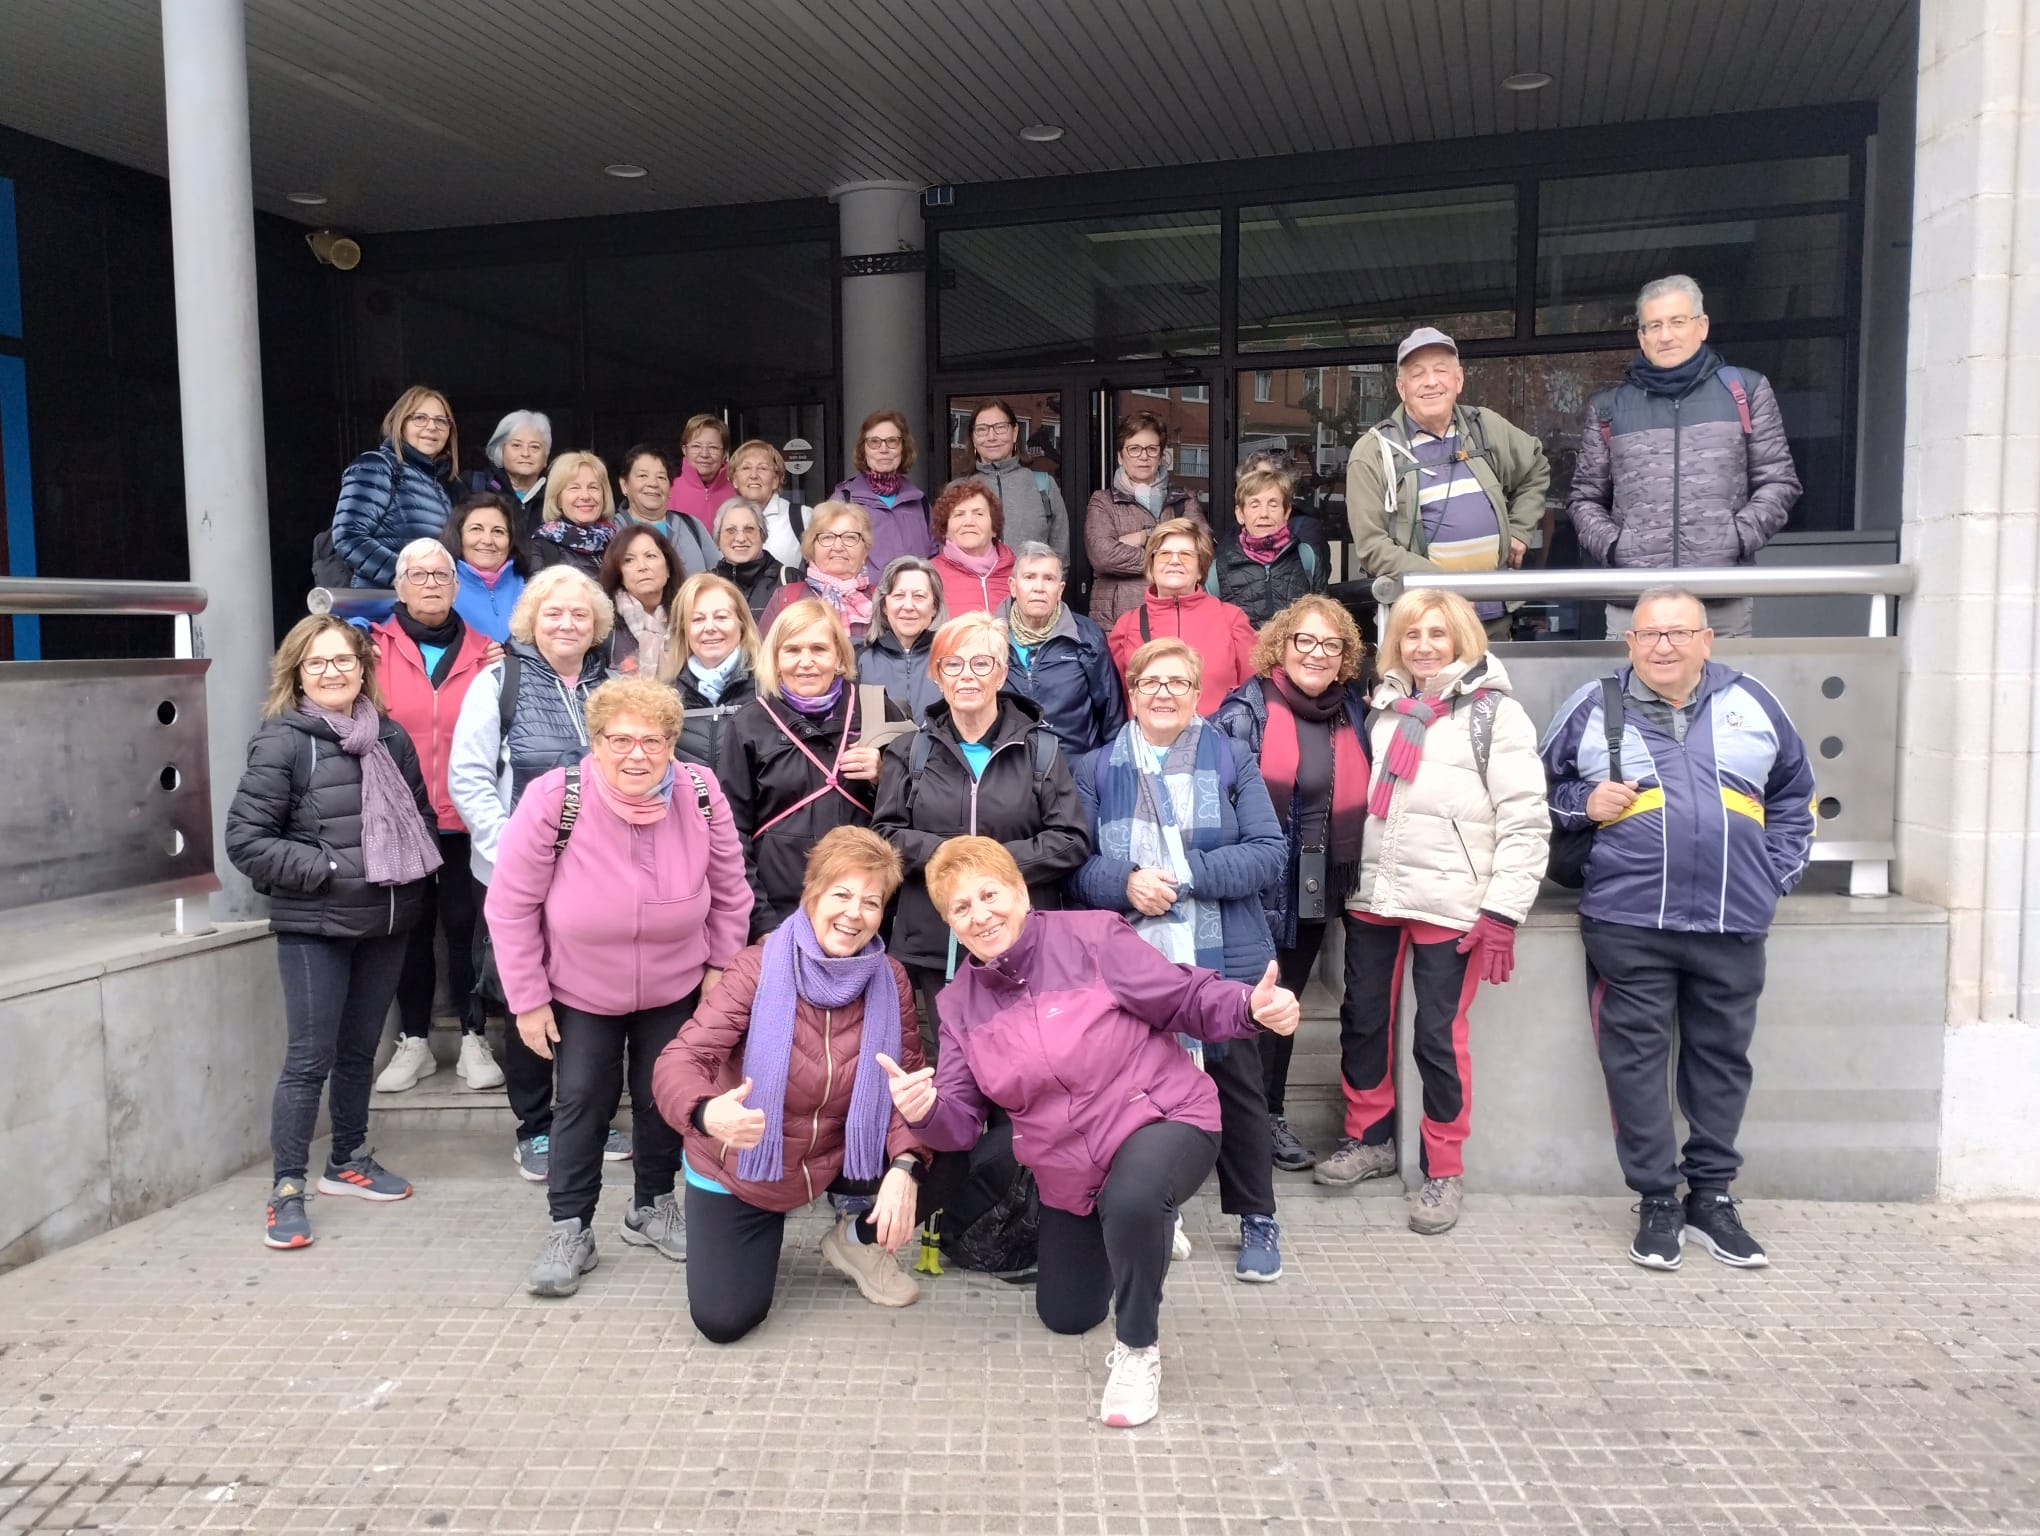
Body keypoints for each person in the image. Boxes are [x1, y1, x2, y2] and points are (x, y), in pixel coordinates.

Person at [883, 837, 1302, 1428]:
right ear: (950, 923)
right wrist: (923, 1110)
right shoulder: (960, 1006)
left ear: (1020, 892)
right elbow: (960, 1122)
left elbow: (1181, 996)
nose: (980, 915)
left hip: (1161, 1115)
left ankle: (1137, 1352)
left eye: (989, 895)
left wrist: (1246, 1006)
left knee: (1133, 1197)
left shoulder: (1093, 937)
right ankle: (1142, 1230)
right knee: (1067, 1312)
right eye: (960, 908)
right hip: (1071, 1170)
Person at [1540, 586, 1813, 1269]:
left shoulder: (1755, 703)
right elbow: (1534, 794)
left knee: (1722, 1062)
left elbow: (1793, 797)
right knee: (1633, 1065)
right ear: (1629, 644)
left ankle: (1712, 1198)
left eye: (1679, 633)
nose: (1664, 645)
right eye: (1650, 634)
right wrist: (1584, 801)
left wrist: (1772, 877)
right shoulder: (1592, 705)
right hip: (1628, 920)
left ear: (1706, 640)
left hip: (1732, 919)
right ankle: (1658, 1198)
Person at [486, 678, 752, 1296]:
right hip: (579, 988)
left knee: (666, 1098)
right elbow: (510, 905)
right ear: (597, 741)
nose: (637, 754)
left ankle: (652, 1207)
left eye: (653, 741)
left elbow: (732, 889)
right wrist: (526, 998)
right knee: (580, 1099)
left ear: (671, 744)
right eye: (621, 739)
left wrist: (719, 966)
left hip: (677, 980)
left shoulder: (701, 792)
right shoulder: (558, 796)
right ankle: (571, 1227)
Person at [1321, 590, 1549, 1235]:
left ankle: (1443, 1170)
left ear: (1462, 640)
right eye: (1412, 634)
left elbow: (1525, 818)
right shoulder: (1383, 708)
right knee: (1363, 1021)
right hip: (1376, 895)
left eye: (1437, 635)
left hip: (1451, 904)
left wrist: (1503, 910)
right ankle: (1368, 1139)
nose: (1423, 645)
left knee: (1438, 1038)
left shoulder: (1494, 715)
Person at [652, 829, 939, 1339]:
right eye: (842, 895)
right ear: (812, 894)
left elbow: (904, 1084)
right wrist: (705, 1113)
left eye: (871, 902)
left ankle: (856, 1239)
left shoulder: (889, 977)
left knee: (947, 1134)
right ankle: (752, 1230)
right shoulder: (757, 967)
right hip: (742, 1165)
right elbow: (681, 1060)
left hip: (833, 1158)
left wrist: (905, 1164)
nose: (854, 914)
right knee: (724, 1320)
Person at [1072, 637, 1289, 1283]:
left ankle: (1257, 1216)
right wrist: (1126, 882)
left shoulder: (1233, 759)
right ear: (1132, 692)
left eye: (1178, 682)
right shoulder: (1094, 767)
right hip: (1134, 962)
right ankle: (1155, 1209)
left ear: (1199, 693)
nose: (1163, 693)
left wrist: (1185, 875)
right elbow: (1076, 864)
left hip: (1224, 954)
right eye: (1150, 682)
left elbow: (1268, 852)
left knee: (1239, 1089)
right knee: (1136, 1089)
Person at [225, 616, 438, 1250]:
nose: (333, 672)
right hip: (316, 924)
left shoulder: (389, 736)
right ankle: (286, 1189)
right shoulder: (284, 742)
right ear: (297, 673)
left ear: (362, 668)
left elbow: (419, 820)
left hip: (387, 919)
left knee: (358, 1052)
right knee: (308, 1061)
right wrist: (329, 868)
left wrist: (408, 883)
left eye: (343, 660)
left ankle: (347, 1159)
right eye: (317, 663)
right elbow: (246, 840)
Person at [448, 565, 622, 1181]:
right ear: (530, 619)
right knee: (524, 996)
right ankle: (537, 1127)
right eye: (553, 612)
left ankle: (587, 1120)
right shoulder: (499, 682)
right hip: (513, 875)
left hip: (597, 877)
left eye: (579, 614)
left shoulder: (615, 686)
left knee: (590, 1000)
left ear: (597, 623)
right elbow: (468, 780)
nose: (567, 623)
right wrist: (516, 853)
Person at [872, 613, 1089, 1057]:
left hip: (1018, 939)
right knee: (953, 1069)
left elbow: (1071, 838)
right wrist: (951, 856)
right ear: (936, 675)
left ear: (1002, 673)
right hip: (934, 942)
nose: (966, 676)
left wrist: (990, 869)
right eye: (952, 664)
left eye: (981, 663)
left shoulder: (1040, 749)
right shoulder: (909, 751)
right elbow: (885, 835)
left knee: (1024, 1067)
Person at [1212, 595, 1373, 1172]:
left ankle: (1270, 1117)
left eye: (1331, 645)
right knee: (1243, 1011)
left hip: (1314, 886)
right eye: (1304, 640)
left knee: (1285, 1009)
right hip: (1254, 890)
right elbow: (1218, 801)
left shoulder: (1350, 709)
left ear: (1345, 656)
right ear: (1280, 644)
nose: (1316, 653)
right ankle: (1232, 1126)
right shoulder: (1244, 710)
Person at [1571, 277, 1802, 639]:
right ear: (1641, 336)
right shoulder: (1608, 408)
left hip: (1719, 599)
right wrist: (1616, 548)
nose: (1666, 336)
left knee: (1721, 695)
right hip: (1635, 602)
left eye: (1678, 322)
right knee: (1632, 695)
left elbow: (1779, 481)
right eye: (1654, 325)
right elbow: (1585, 498)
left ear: (1702, 326)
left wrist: (1736, 538)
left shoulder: (1745, 391)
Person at [368, 539, 505, 1095]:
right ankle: (416, 1041)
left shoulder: (490, 652)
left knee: (465, 927)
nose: (429, 584)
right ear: (399, 587)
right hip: (399, 818)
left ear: (456, 586)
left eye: (441, 575)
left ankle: (474, 1036)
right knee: (411, 929)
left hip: (466, 819)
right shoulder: (371, 651)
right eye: (417, 574)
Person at [1344, 327, 1552, 641]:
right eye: (1417, 374)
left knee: (1490, 691)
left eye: (1441, 370)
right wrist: (1446, 586)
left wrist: (1521, 529)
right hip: (1422, 628)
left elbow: (1536, 466)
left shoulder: (1485, 427)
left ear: (1458, 380)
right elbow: (1372, 547)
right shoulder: (1374, 451)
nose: (1430, 382)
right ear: (1402, 388)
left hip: (1491, 621)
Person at [720, 599, 898, 939]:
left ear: (840, 656)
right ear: (776, 659)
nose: (806, 662)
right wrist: (761, 922)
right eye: (792, 650)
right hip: (780, 911)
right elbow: (732, 834)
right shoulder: (749, 724)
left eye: (819, 648)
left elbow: (913, 808)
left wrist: (883, 774)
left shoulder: (876, 708)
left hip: (863, 913)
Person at [1106, 518, 1257, 717]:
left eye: (1186, 555)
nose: (1174, 560)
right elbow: (1113, 703)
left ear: (1200, 569)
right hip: (1150, 743)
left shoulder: (1231, 619)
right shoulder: (1127, 625)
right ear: (1151, 566)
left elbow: (1253, 694)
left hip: (1216, 742)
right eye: (1164, 554)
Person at [1084, 411, 1209, 627]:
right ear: (1120, 456)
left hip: (1177, 615)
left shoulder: (1184, 498)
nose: (1144, 456)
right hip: (1116, 622)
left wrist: (1140, 539)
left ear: (1161, 456)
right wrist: (1161, 544)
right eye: (1134, 449)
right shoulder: (1103, 501)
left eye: (1152, 449)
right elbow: (1103, 556)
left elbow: (1201, 549)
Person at [1000, 542, 1124, 758]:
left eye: (1049, 579)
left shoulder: (1085, 636)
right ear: (1012, 586)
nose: (1039, 587)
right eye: (1029, 577)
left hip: (1074, 771)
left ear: (1060, 589)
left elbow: (1111, 713)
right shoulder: (990, 637)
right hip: (1009, 770)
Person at [331, 385, 462, 589]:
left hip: (423, 607)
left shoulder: (439, 486)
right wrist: (408, 578)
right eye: (419, 418)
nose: (431, 427)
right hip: (382, 609)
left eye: (441, 420)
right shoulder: (378, 466)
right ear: (400, 422)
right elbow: (348, 536)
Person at [951, 399, 1068, 563]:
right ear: (973, 438)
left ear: (1014, 433)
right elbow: (946, 553)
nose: (991, 437)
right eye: (982, 429)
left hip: (1031, 588)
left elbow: (1060, 555)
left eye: (1000, 428)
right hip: (974, 588)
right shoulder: (956, 491)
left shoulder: (1044, 486)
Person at [1212, 465, 1329, 627]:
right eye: (1254, 505)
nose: (1264, 514)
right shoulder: (1219, 568)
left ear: (1286, 512)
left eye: (1273, 505)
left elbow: (1323, 619)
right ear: (1240, 514)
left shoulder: (1306, 558)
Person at [670, 572, 761, 770]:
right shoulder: (666, 695)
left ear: (741, 624)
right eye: (697, 619)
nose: (709, 627)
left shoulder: (770, 687)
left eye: (721, 617)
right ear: (684, 629)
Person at [830, 409, 932, 582]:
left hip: (912, 601)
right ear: (864, 449)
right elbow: (828, 561)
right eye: (874, 442)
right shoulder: (844, 500)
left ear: (903, 447)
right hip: (862, 603)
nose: (883, 449)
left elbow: (936, 557)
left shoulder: (920, 502)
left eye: (892, 441)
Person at [760, 500, 878, 642]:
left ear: (865, 551)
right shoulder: (785, 597)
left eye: (850, 537)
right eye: (827, 537)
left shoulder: (882, 601)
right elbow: (765, 658)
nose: (838, 546)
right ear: (811, 547)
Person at [855, 555, 946, 725]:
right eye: (898, 595)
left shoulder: (953, 659)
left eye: (919, 596)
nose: (908, 606)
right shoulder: (858, 658)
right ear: (883, 605)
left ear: (934, 607)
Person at [613, 444, 719, 577]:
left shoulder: (691, 526)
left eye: (661, 477)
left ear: (670, 488)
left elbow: (720, 575)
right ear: (624, 485)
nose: (653, 483)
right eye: (642, 476)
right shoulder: (611, 531)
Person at [443, 494, 536, 643]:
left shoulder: (532, 588)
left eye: (498, 531)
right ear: (458, 535)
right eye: (476, 529)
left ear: (511, 540)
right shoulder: (440, 586)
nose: (487, 540)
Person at [597, 524, 684, 679]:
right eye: (629, 560)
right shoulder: (604, 626)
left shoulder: (688, 618)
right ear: (619, 573)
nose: (642, 567)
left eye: (650, 556)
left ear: (668, 567)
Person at [928, 478, 1017, 615]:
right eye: (959, 514)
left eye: (978, 513)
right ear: (945, 530)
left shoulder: (1018, 572)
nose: (969, 522)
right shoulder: (929, 575)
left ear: (994, 528)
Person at [531, 450, 618, 581]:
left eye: (593, 487)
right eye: (574, 488)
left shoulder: (619, 544)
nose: (585, 496)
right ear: (558, 498)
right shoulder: (542, 547)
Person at [712, 497, 797, 621]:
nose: (740, 538)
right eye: (731, 530)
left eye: (749, 530)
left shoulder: (789, 581)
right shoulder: (704, 586)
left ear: (762, 535)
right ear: (718, 538)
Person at [728, 438, 806, 567]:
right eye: (746, 468)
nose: (753, 475)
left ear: (775, 479)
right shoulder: (725, 519)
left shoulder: (802, 517)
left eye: (763, 468)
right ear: (734, 480)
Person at [472, 410, 553, 533]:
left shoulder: (556, 497)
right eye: (516, 445)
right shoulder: (474, 485)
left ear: (545, 457)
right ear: (501, 451)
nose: (525, 453)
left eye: (535, 447)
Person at [666, 413, 736, 528]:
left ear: (724, 453)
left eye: (713, 447)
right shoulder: (668, 491)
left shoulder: (737, 492)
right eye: (696, 446)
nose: (704, 454)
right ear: (684, 450)